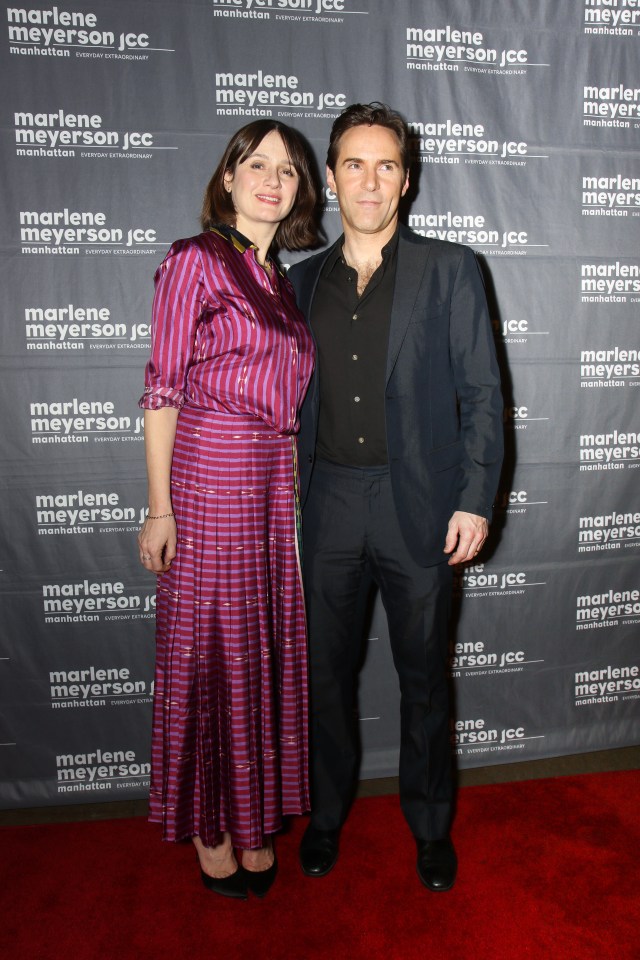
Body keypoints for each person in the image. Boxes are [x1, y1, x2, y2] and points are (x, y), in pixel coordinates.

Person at [288, 103, 503, 892]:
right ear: (332, 177)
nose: (369, 180)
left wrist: (475, 499)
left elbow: (483, 395)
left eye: (385, 165)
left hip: (420, 505)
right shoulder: (298, 279)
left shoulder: (452, 269)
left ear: (406, 180)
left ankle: (430, 827)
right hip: (330, 504)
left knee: (424, 682)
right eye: (353, 163)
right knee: (324, 680)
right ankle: (327, 816)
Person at [137, 120, 318, 900]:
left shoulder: (278, 278)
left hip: (274, 486)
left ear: (302, 192)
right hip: (208, 480)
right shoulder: (194, 261)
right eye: (257, 164)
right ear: (229, 177)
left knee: (256, 653)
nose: (272, 179)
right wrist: (159, 508)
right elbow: (162, 391)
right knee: (212, 654)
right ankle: (212, 827)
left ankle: (253, 823)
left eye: (287, 169)